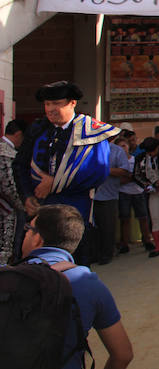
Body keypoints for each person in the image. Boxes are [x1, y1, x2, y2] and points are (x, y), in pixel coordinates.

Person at [20, 204, 133, 369]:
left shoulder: (7, 277)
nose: (24, 234)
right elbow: (123, 355)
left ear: (37, 239)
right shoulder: (87, 282)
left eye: (28, 229)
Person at [13, 81, 120, 264]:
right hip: (41, 207)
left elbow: (98, 171)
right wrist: (27, 196)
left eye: (57, 104)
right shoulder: (38, 130)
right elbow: (20, 164)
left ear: (72, 103)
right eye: (47, 104)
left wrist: (54, 183)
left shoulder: (91, 131)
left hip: (74, 210)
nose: (51, 109)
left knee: (73, 262)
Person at [91, 132, 131, 265]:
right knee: (91, 228)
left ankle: (106, 254)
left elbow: (125, 171)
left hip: (108, 195)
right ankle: (93, 254)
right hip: (89, 196)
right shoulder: (89, 149)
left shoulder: (117, 151)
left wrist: (105, 170)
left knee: (107, 227)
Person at [1, 119, 27, 265]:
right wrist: (21, 204)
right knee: (8, 247)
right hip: (7, 209)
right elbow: (8, 185)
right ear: (18, 134)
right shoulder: (5, 152)